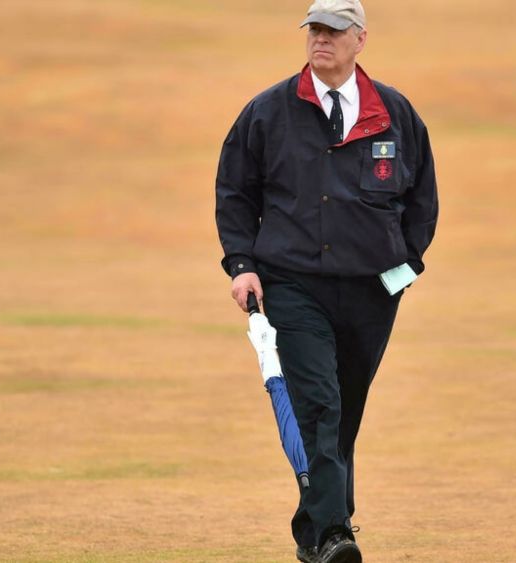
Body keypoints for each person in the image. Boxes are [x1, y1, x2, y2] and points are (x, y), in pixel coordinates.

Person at [214, 1, 439, 561]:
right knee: (319, 404)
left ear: (360, 39)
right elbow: (235, 192)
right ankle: (336, 532)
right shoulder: (268, 112)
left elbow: (422, 200)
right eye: (314, 29)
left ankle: (312, 533)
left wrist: (403, 266)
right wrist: (242, 264)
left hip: (371, 291)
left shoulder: (395, 112)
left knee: (346, 411)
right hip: (292, 285)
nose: (322, 40)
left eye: (334, 31)